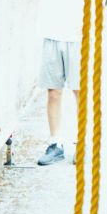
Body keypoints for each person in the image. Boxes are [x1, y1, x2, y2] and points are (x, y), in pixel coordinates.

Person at [37, 37, 80, 165]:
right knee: (53, 92)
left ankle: (82, 143)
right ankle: (55, 144)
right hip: (53, 36)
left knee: (80, 91)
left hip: (79, 37)